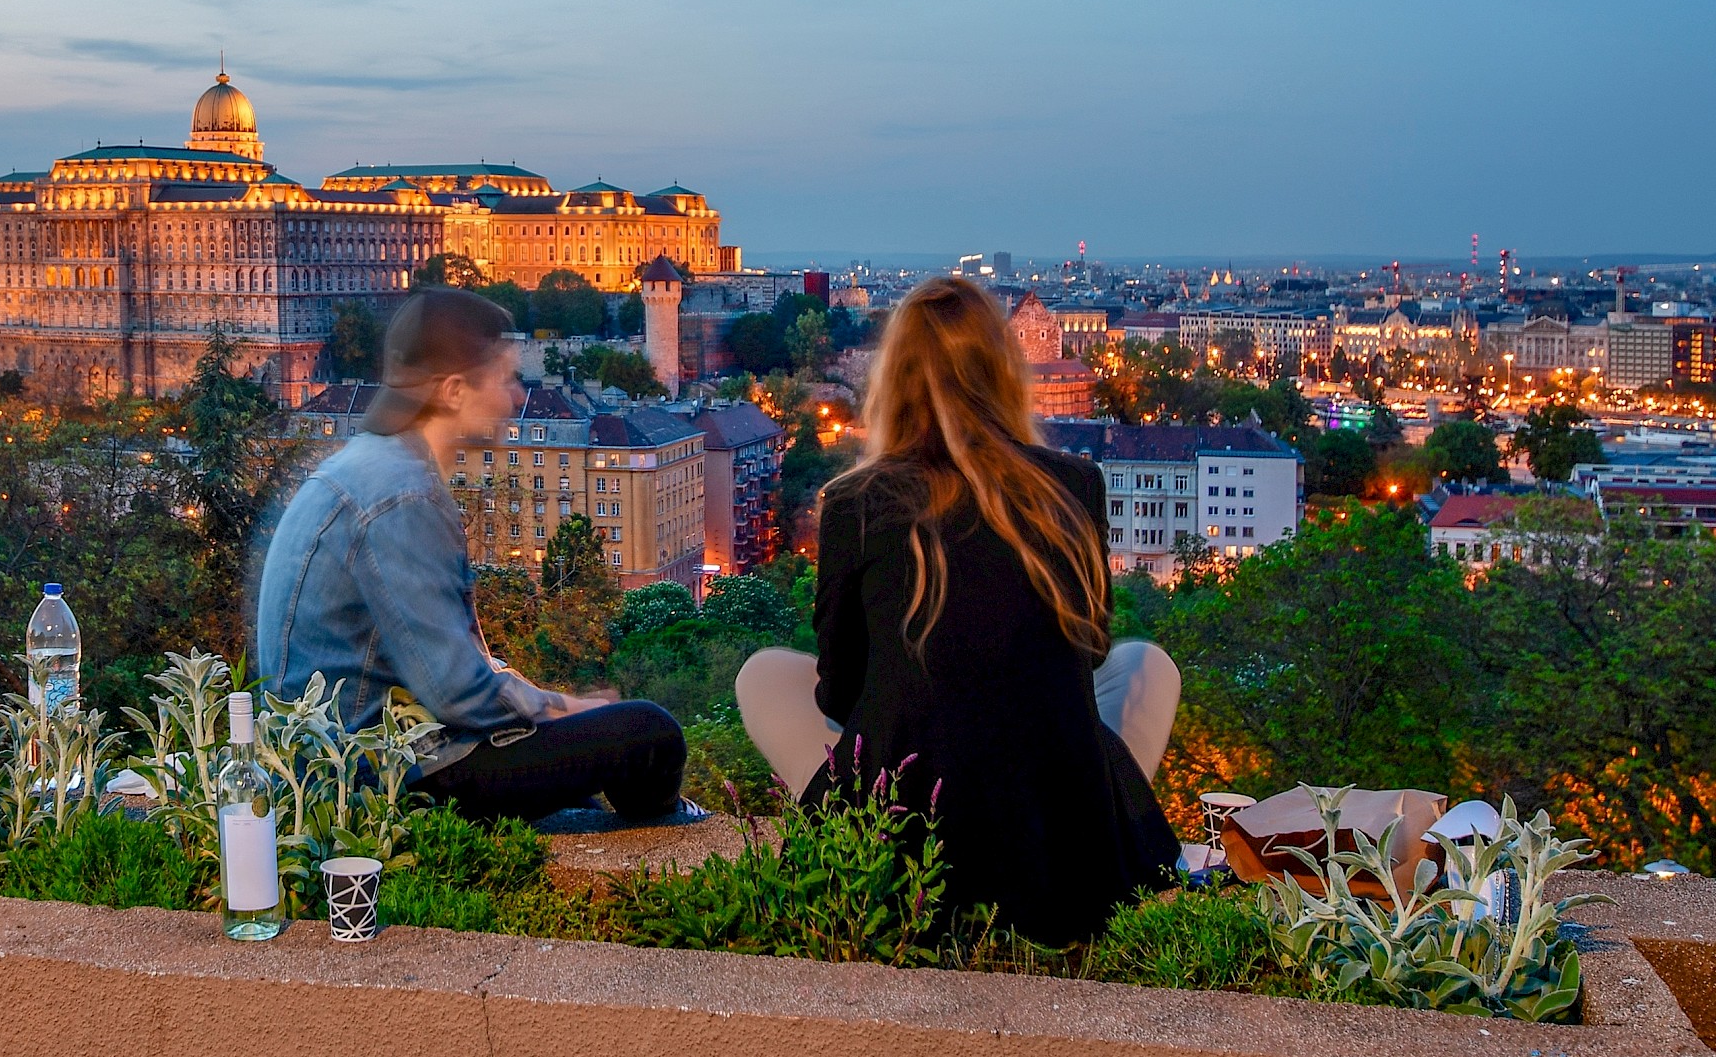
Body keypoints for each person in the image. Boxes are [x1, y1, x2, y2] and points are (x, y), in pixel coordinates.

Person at [735, 276, 1181, 946]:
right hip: (1054, 851)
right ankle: (1089, 823)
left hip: (904, 841)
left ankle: (853, 841)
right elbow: (1086, 657)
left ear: (895, 378)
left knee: (763, 674)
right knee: (1145, 665)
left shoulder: (858, 501)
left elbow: (839, 689)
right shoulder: (1074, 484)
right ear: (1003, 371)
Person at [255, 287, 687, 822]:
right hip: (376, 777)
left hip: (357, 754)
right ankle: (671, 846)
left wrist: (551, 710)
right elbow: (458, 692)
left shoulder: (378, 466)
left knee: (583, 771)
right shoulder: (402, 494)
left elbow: (446, 665)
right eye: (504, 378)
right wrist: (569, 708)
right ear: (455, 391)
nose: (513, 396)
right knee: (648, 735)